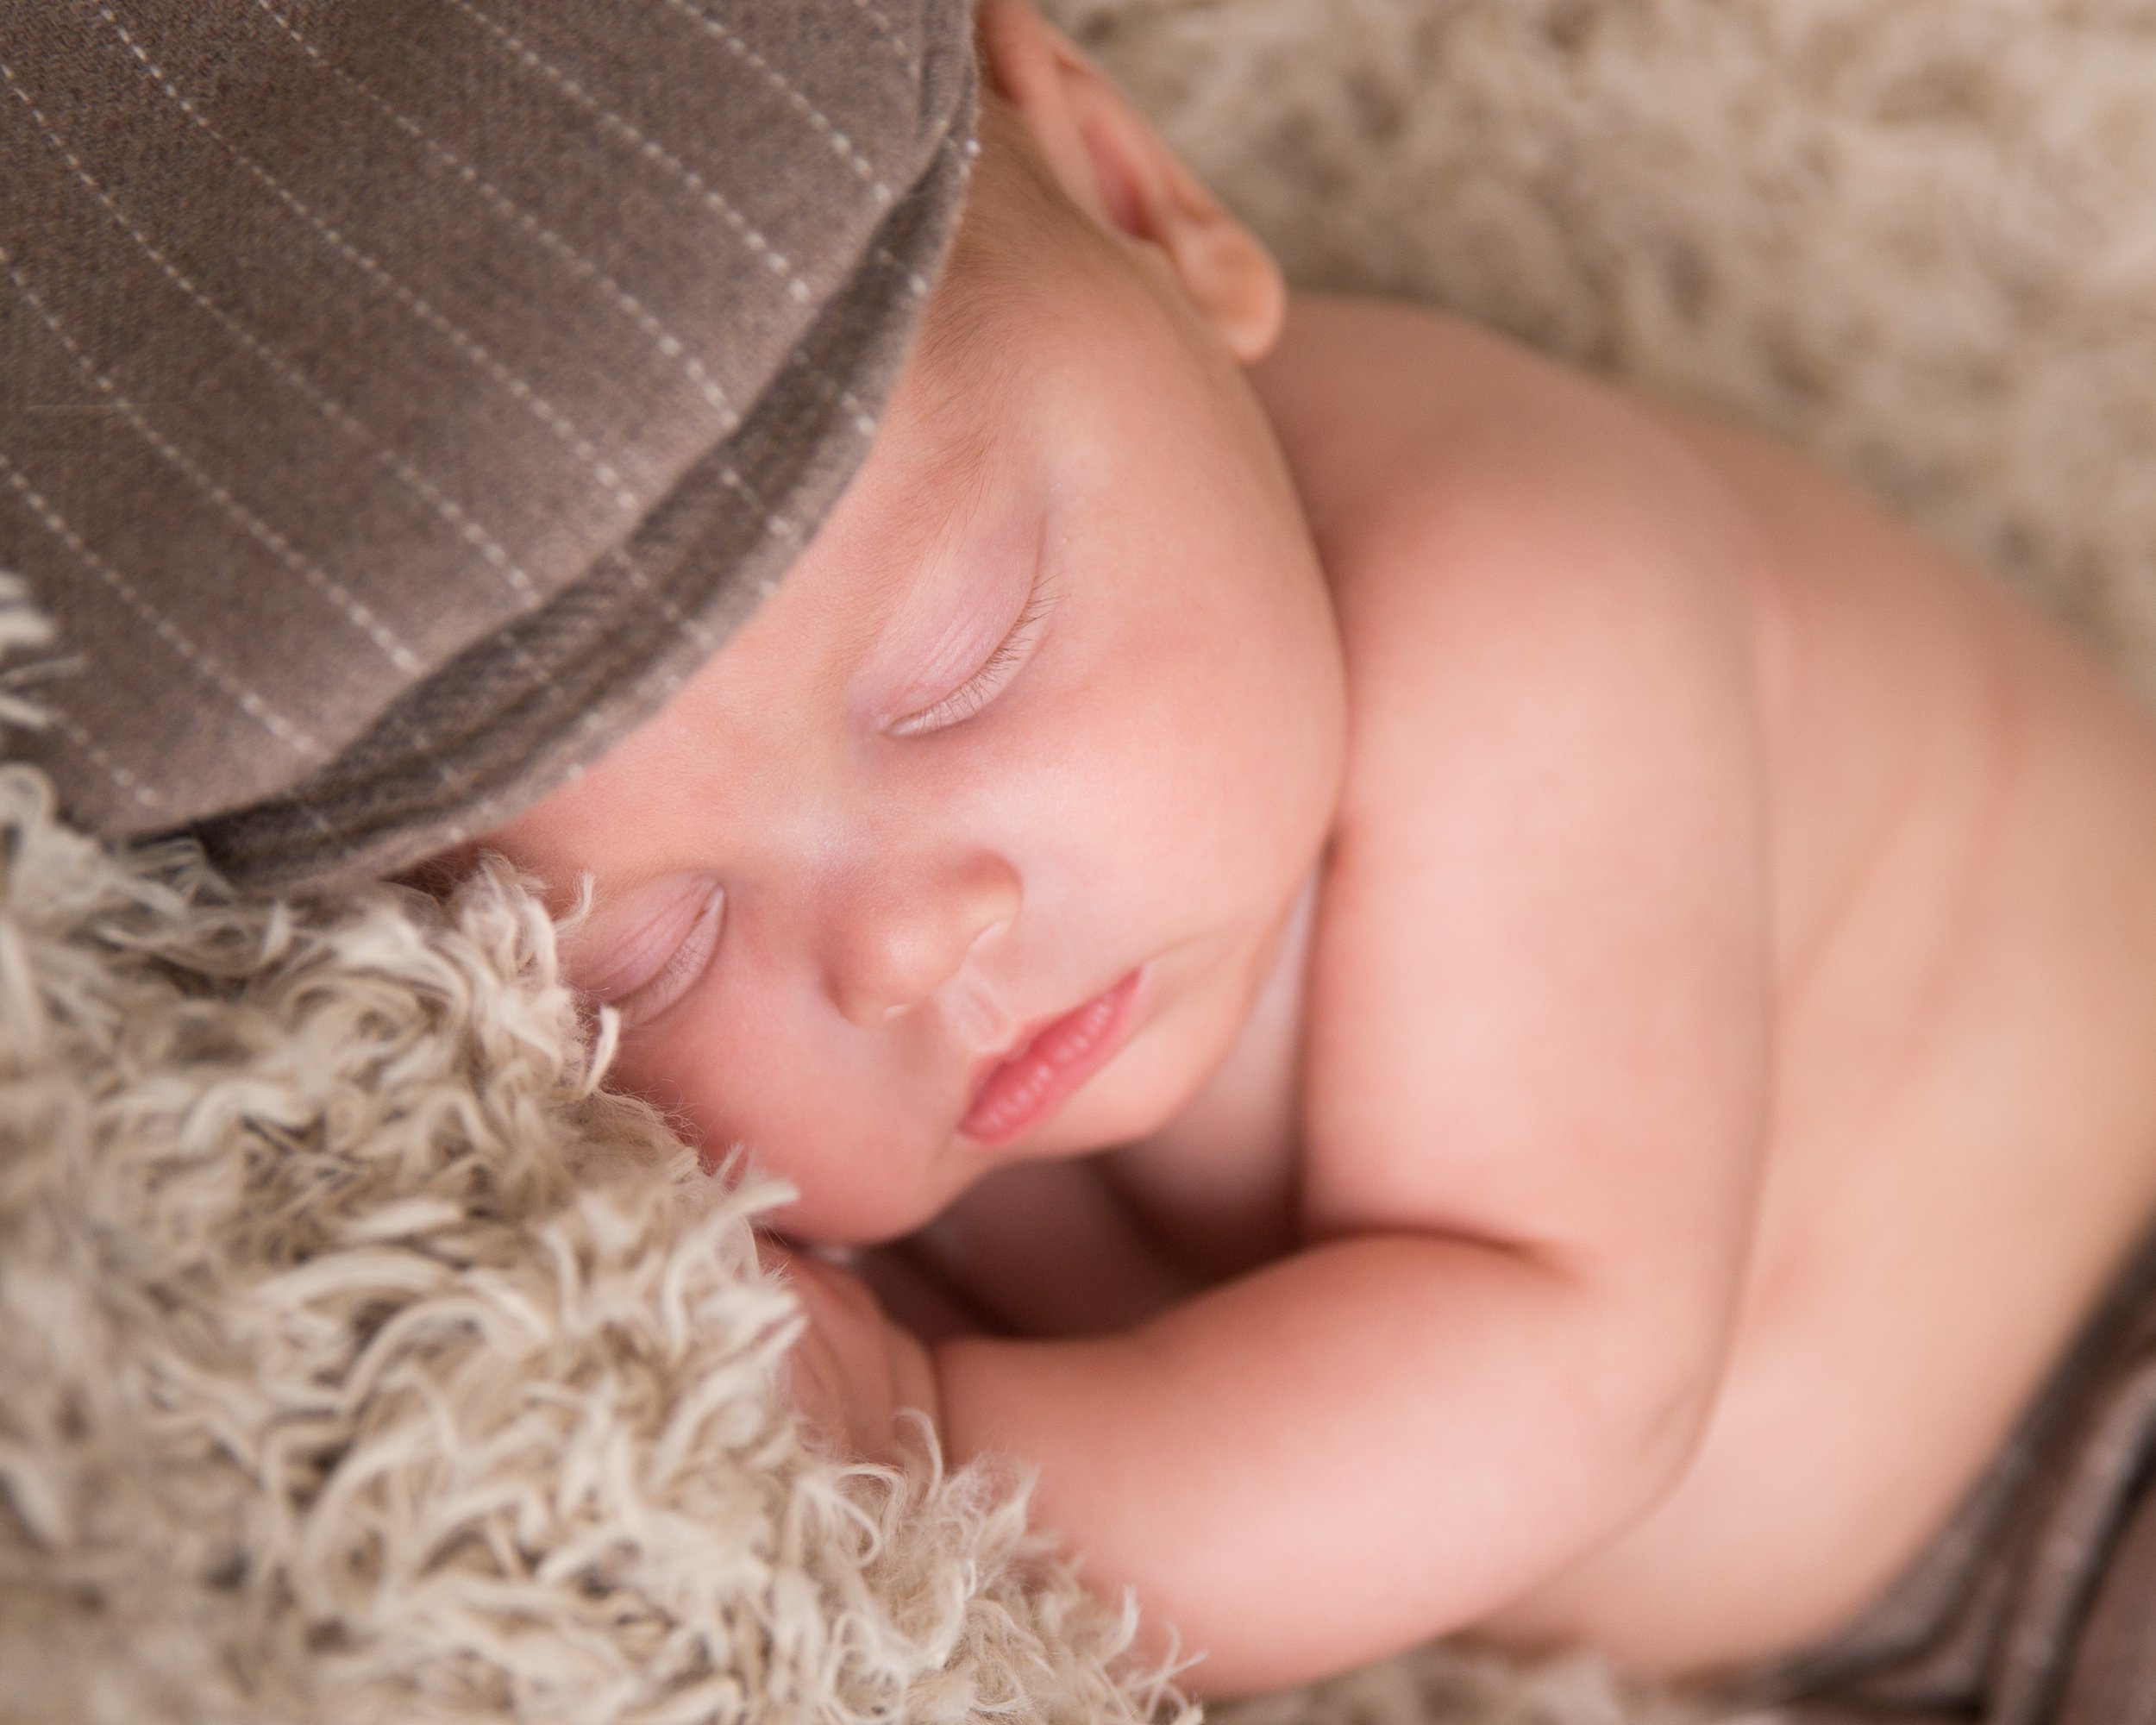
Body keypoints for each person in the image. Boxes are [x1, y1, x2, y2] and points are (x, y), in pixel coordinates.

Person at [10, 1, 2154, 1716]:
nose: (905, 937)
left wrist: (929, 1440)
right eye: (656, 949)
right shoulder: (846, 1056)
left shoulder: (1505, 594)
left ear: (1141, 200)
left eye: (963, 662)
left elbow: (1566, 1375)